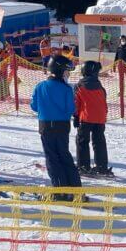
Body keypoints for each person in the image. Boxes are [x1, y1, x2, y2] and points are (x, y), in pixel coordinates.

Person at [30, 55, 82, 199]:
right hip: (62, 126)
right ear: (59, 71)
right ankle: (75, 187)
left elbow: (34, 106)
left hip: (45, 126)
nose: (67, 75)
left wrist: (45, 107)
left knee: (52, 158)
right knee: (64, 155)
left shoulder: (40, 86)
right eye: (66, 72)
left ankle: (60, 189)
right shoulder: (66, 89)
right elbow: (71, 109)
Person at [74, 60, 112, 177]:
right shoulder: (100, 87)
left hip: (86, 118)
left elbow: (76, 103)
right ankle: (101, 167)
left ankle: (83, 166)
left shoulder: (80, 86)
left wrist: (75, 116)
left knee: (82, 141)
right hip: (100, 118)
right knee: (99, 141)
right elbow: (103, 103)